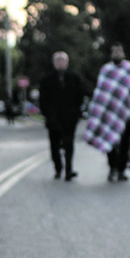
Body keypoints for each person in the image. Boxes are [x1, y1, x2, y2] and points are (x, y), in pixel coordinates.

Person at [83, 42, 130, 182]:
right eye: (114, 52)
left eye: (119, 51)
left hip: (127, 115)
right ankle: (112, 167)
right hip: (109, 115)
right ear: (111, 54)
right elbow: (101, 93)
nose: (117, 54)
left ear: (124, 53)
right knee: (110, 142)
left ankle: (121, 170)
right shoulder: (106, 70)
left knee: (125, 144)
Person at [38, 51, 87, 180]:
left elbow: (80, 96)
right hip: (53, 118)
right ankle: (58, 168)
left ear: (67, 62)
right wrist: (47, 114)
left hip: (69, 118)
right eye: (58, 60)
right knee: (54, 145)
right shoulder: (47, 79)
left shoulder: (74, 78)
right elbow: (43, 99)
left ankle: (69, 169)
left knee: (68, 143)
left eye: (62, 60)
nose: (60, 63)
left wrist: (77, 113)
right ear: (54, 63)